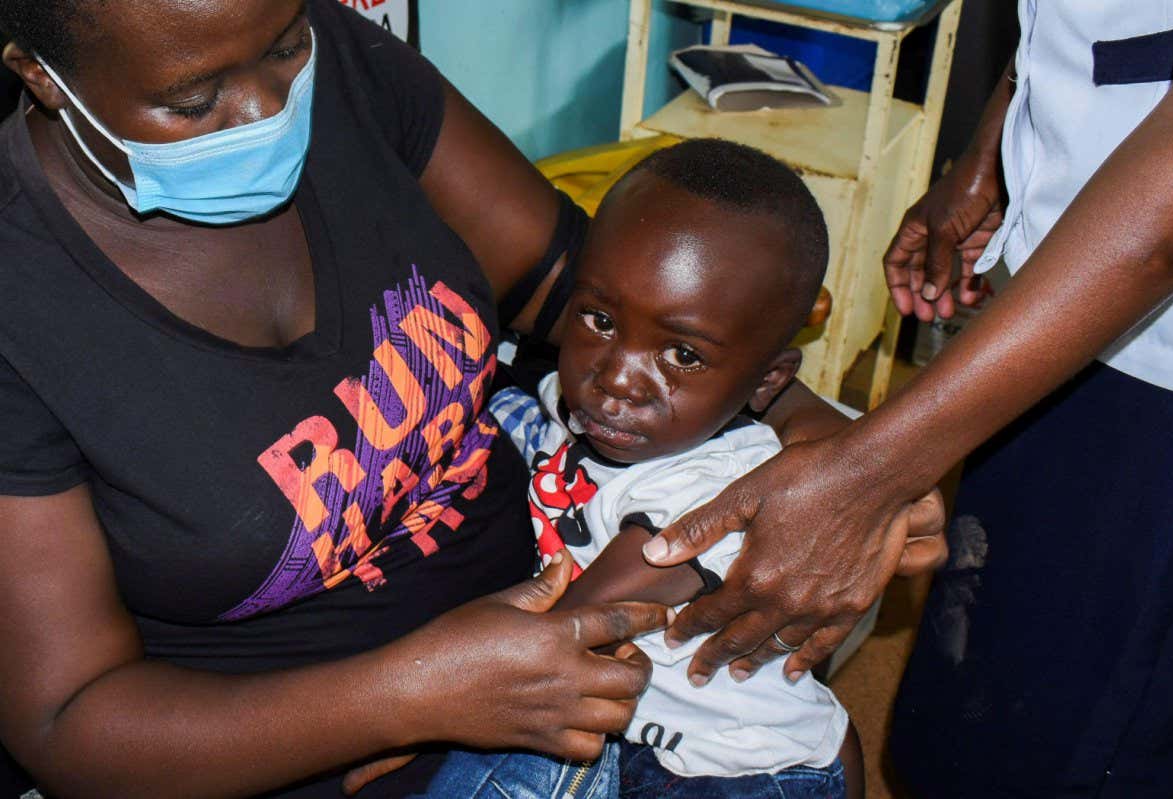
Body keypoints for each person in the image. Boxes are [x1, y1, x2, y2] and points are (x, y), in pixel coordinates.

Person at [0, 1, 931, 796]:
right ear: (40, 76)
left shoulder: (345, 62)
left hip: (556, 596)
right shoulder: (21, 312)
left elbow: (592, 292)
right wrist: (410, 697)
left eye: (286, 47)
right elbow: (66, 717)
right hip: (328, 738)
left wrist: (821, 443)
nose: (270, 110)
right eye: (193, 101)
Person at [631, 2, 1173, 798]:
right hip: (1071, 295)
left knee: (1098, 726)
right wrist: (995, 150)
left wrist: (875, 469)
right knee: (988, 657)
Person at [415, 139, 947, 799]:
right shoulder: (583, 403)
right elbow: (517, 405)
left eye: (684, 357)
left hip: (745, 770)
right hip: (641, 733)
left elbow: (570, 628)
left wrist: (423, 720)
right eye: (600, 319)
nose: (617, 378)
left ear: (768, 380)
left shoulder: (720, 486)